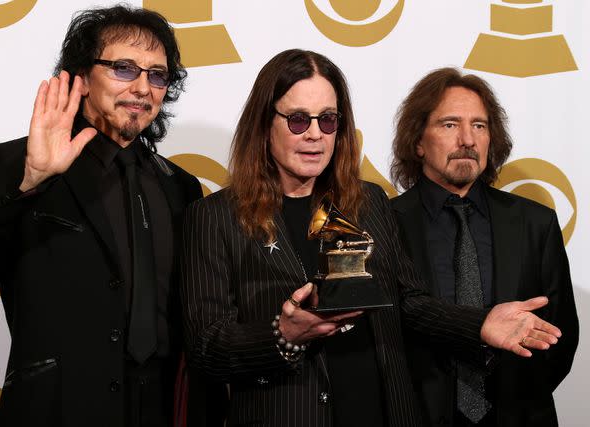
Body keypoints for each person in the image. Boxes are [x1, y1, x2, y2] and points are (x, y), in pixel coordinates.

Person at [180, 50, 562, 427]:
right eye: (298, 120)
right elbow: (206, 349)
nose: (315, 134)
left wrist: (478, 324)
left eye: (328, 120)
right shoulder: (214, 217)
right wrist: (284, 335)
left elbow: (410, 303)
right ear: (265, 124)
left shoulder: (370, 202)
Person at [0, 5, 203, 427]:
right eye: (124, 68)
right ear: (81, 79)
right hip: (55, 411)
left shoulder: (182, 186)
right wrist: (30, 179)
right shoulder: (16, 164)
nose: (143, 87)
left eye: (157, 75)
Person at [390, 67, 579, 426]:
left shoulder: (535, 223)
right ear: (417, 141)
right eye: (449, 125)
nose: (467, 139)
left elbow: (559, 340)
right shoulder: (384, 223)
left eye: (479, 126)